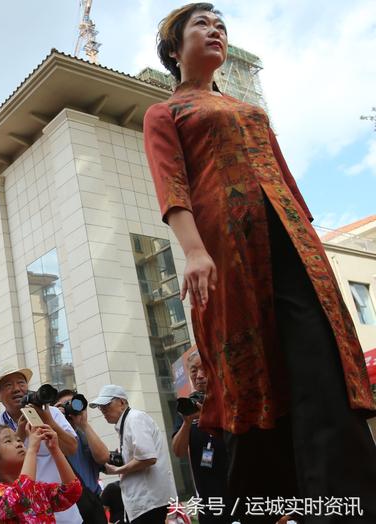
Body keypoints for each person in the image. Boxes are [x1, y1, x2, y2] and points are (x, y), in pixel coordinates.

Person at [145, 3, 376, 522]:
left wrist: (310, 244)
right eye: (202, 25)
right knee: (247, 368)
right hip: (228, 251)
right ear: (174, 48)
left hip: (291, 242)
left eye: (221, 26)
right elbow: (172, 186)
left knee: (319, 358)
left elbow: (287, 182)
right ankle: (260, 508)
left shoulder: (250, 110)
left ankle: (347, 506)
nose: (216, 31)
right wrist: (195, 250)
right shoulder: (166, 112)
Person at [0, 365, 81, 524]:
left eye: (21, 383)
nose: (17, 389)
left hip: (63, 513)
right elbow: (22, 496)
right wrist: (23, 438)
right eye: (8, 385)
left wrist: (49, 423)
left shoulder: (51, 413)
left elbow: (72, 453)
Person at [89, 385, 176, 524]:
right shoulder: (127, 422)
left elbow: (148, 458)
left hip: (149, 501)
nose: (103, 410)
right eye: (100, 407)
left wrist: (117, 470)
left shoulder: (135, 419)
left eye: (106, 405)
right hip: (145, 502)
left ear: (122, 402)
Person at [0, 423, 81, 523]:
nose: (19, 444)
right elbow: (22, 497)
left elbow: (71, 492)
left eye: (18, 440)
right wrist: (32, 449)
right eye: (8, 441)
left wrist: (55, 449)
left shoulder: (36, 489)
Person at [171, 351, 229, 523]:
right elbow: (178, 451)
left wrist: (208, 416)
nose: (199, 375)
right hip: (207, 501)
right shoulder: (186, 406)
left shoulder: (227, 398)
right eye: (194, 370)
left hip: (235, 492)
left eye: (204, 369)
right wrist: (187, 423)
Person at [53, 390, 108, 523]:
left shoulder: (84, 435)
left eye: (73, 404)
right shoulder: (53, 438)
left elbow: (103, 457)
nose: (70, 408)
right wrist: (54, 418)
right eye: (65, 405)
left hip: (93, 503)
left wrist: (84, 424)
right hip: (70, 508)